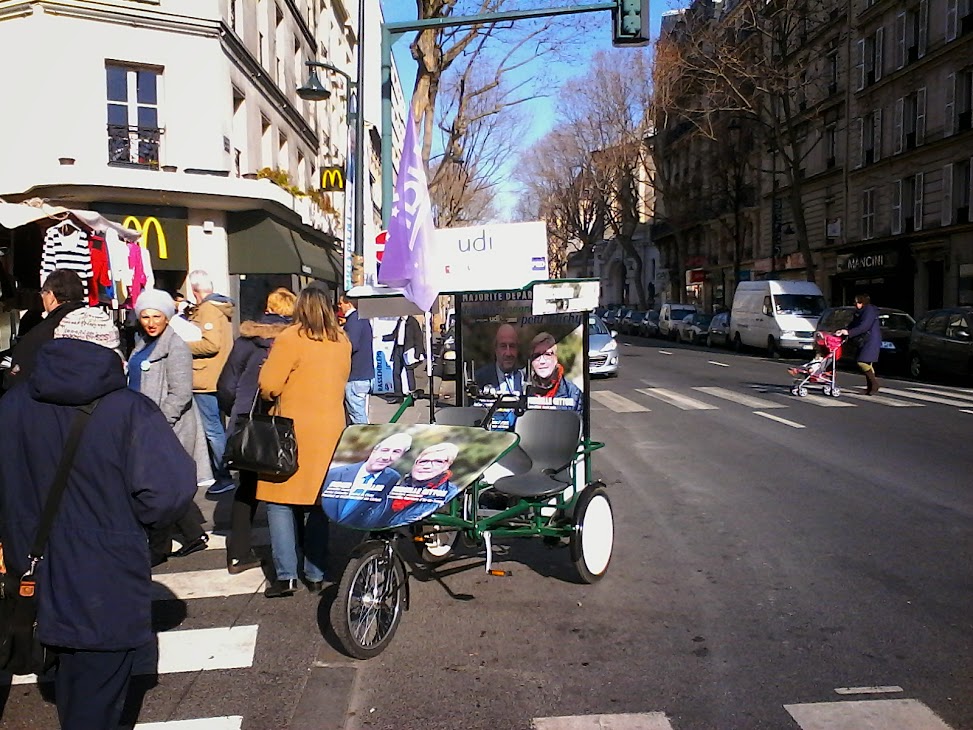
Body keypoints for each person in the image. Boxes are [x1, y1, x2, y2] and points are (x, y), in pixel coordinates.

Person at [0, 310, 196, 730]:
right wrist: (139, 526)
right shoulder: (130, 411)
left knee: (67, 683)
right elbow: (170, 491)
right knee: (97, 699)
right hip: (105, 577)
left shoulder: (12, 404)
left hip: (31, 568)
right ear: (112, 353)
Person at [258, 287, 351, 597]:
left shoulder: (290, 338)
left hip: (291, 431)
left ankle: (286, 576)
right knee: (318, 503)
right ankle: (315, 572)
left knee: (279, 500)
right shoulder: (341, 341)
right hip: (329, 432)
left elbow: (269, 385)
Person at [128, 289, 212, 565]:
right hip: (142, 423)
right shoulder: (142, 342)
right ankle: (193, 535)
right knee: (166, 485)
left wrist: (158, 424)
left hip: (166, 428)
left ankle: (158, 546)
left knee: (157, 486)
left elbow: (181, 393)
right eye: (145, 316)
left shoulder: (175, 346)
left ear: (167, 317)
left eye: (157, 316)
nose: (151, 322)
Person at [216, 286, 296, 575]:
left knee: (246, 488)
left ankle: (238, 553)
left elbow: (226, 385)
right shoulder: (295, 340)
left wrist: (236, 412)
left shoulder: (246, 341)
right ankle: (292, 555)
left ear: (268, 308)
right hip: (284, 422)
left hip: (247, 423)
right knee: (286, 487)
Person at [186, 270, 236, 496]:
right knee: (217, 428)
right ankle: (224, 472)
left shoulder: (208, 309)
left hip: (206, 379)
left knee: (213, 430)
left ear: (194, 290)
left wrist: (183, 343)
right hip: (217, 376)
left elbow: (211, 344)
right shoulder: (218, 308)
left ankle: (223, 475)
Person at [2, 269, 86, 390]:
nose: (42, 297)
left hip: (57, 397)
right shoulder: (103, 324)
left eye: (43, 293)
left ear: (51, 296)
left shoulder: (38, 337)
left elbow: (17, 381)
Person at [347, 443, 461, 530]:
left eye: (438, 462)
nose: (427, 466)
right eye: (423, 461)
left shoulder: (449, 492)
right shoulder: (393, 483)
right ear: (415, 464)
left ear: (447, 466)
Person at [323, 433, 412, 521]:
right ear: (374, 450)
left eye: (396, 452)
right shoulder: (335, 473)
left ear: (401, 456)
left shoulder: (393, 478)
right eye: (384, 450)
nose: (386, 457)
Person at [836, 293, 883, 395]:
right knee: (867, 363)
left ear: (864, 302)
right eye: (856, 302)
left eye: (860, 302)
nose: (857, 305)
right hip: (865, 339)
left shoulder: (869, 311)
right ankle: (870, 387)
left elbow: (864, 326)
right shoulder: (861, 311)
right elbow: (854, 324)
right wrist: (844, 330)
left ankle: (874, 384)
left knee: (862, 361)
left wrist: (849, 332)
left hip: (870, 340)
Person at [526, 331, 584, 412]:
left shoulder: (573, 393)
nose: (542, 361)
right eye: (537, 356)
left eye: (547, 354)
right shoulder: (525, 391)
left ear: (556, 358)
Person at [338, 294, 374, 424]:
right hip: (364, 374)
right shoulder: (362, 318)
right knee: (358, 412)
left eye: (341, 303)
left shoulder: (354, 321)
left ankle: (364, 436)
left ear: (348, 303)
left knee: (357, 415)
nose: (339, 306)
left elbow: (351, 345)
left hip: (356, 375)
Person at [474, 322, 524, 393]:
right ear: (496, 349)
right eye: (503, 346)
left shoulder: (524, 377)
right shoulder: (480, 378)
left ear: (517, 349)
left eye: (512, 346)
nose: (508, 353)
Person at [384, 315, 423, 404]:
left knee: (409, 372)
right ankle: (398, 396)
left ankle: (411, 398)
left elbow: (418, 337)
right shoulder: (400, 321)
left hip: (408, 349)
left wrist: (418, 352)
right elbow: (395, 334)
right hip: (398, 349)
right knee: (396, 372)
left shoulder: (412, 322)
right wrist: (382, 338)